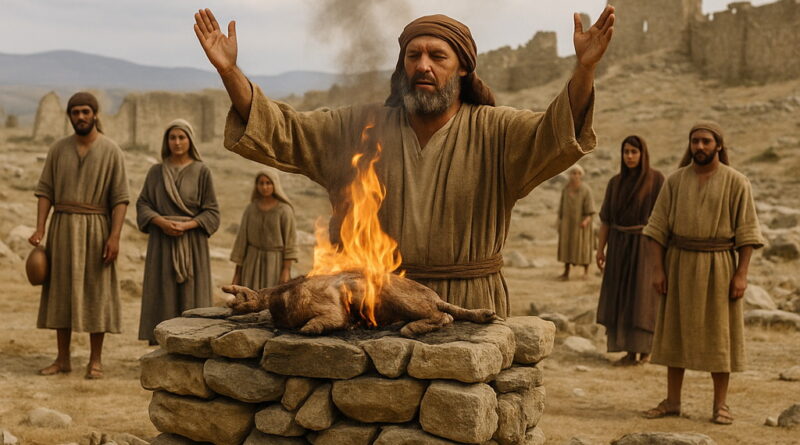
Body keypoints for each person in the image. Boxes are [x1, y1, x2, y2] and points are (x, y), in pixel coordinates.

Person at [193, 7, 615, 317]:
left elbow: (557, 133)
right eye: (413, 56)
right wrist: (230, 72)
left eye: (437, 56)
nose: (423, 66)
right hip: (376, 301)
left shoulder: (496, 132)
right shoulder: (361, 127)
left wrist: (584, 69)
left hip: (466, 303)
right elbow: (286, 130)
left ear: (464, 69)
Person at [641, 121, 763, 425]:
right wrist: (658, 270)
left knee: (720, 335)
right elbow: (656, 231)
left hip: (720, 266)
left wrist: (741, 274)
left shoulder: (737, 182)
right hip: (679, 264)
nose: (700, 147)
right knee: (674, 332)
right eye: (695, 141)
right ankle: (672, 401)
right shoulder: (675, 181)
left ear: (718, 145)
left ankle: (720, 405)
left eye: (706, 141)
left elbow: (747, 234)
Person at [28, 92, 129, 379]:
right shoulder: (58, 149)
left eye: (86, 111)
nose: (81, 117)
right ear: (69, 116)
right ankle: (62, 359)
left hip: (98, 228)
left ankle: (95, 361)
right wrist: (40, 228)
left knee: (97, 291)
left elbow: (120, 199)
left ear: (95, 114)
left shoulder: (111, 151)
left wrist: (115, 237)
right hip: (62, 228)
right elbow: (45, 191)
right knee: (61, 290)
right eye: (75, 112)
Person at [136, 119, 220, 345]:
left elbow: (212, 212)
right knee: (161, 294)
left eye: (182, 137)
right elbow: (143, 204)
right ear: (166, 141)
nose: (177, 142)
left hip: (192, 244)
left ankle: (193, 345)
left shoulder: (202, 171)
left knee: (192, 296)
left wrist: (187, 225)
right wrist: (161, 222)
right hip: (161, 243)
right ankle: (160, 346)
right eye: (172, 137)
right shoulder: (156, 172)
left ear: (190, 140)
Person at [596, 135, 664, 365]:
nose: (630, 156)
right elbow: (606, 219)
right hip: (618, 246)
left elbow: (663, 219)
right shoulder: (615, 183)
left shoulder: (656, 180)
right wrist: (600, 249)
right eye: (626, 152)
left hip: (645, 246)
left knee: (642, 298)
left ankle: (645, 350)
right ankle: (628, 351)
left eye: (634, 152)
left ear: (643, 154)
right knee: (621, 297)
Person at [230, 169, 298, 289]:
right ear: (256, 186)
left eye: (268, 183)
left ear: (275, 185)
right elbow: (241, 242)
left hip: (274, 263)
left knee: (270, 301)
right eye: (261, 183)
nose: (264, 187)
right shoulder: (250, 209)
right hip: (251, 262)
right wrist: (237, 274)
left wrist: (286, 270)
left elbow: (290, 243)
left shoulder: (284, 210)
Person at [557, 165, 595, 280]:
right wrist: (560, 221)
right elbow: (561, 207)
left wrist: (586, 220)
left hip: (581, 224)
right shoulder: (566, 189)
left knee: (583, 247)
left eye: (578, 173)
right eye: (573, 173)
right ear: (570, 175)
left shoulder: (586, 190)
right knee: (567, 247)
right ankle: (566, 272)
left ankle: (586, 272)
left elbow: (590, 210)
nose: (576, 175)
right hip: (567, 225)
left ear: (581, 175)